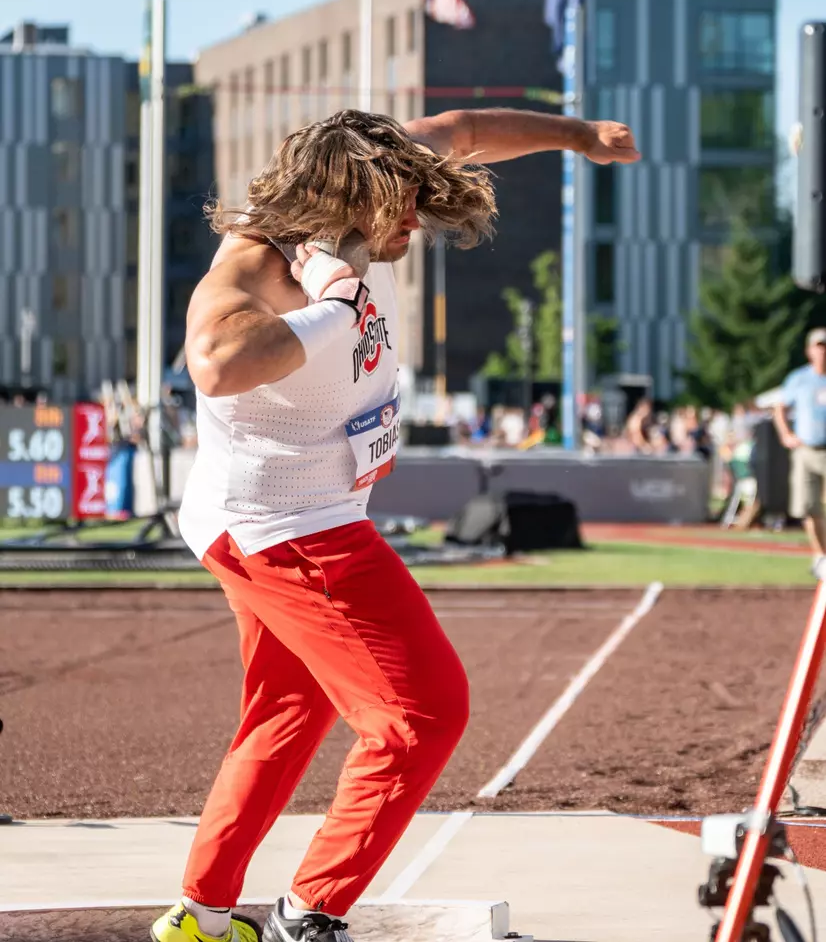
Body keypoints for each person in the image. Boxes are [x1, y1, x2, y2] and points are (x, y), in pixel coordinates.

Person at [153, 107, 640, 942]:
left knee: (287, 709)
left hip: (269, 518)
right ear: (344, 195)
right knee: (424, 714)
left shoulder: (375, 174)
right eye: (398, 204)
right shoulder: (253, 267)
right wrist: (338, 305)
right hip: (289, 530)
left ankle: (200, 917)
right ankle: (309, 916)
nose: (414, 217)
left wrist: (578, 137)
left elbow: (465, 127)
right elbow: (218, 364)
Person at [774, 328, 826, 574]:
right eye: (819, 346)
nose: (823, 351)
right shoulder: (799, 379)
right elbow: (780, 407)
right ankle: (820, 556)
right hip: (806, 450)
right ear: (809, 350)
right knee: (808, 506)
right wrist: (786, 434)